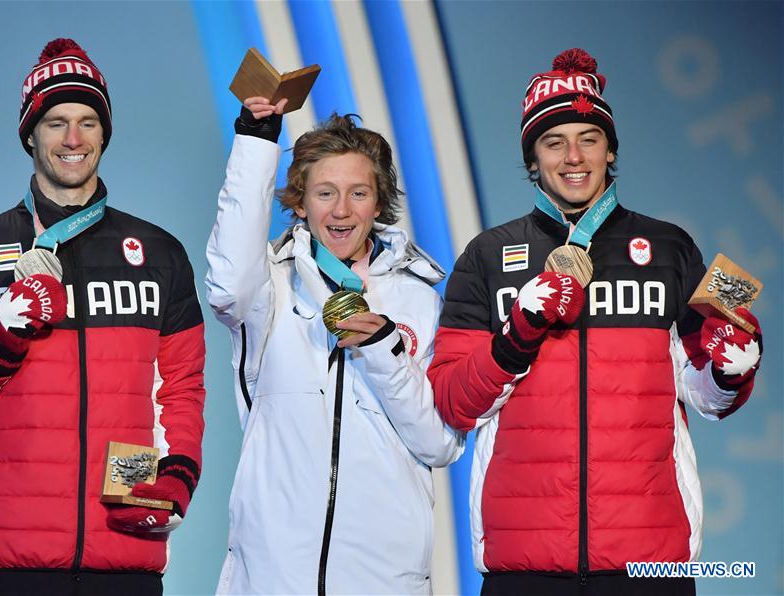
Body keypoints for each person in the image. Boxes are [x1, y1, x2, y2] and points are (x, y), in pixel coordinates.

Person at [428, 48, 763, 596]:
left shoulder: (672, 247)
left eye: (589, 138)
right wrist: (516, 338)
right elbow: (451, 401)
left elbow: (708, 394)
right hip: (524, 569)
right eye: (553, 142)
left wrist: (733, 372)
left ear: (611, 151)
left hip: (651, 569)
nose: (573, 157)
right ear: (532, 159)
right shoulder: (487, 255)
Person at [0, 38, 206, 596]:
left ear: (104, 134)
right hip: (4, 569)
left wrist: (177, 472)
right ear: (30, 135)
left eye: (88, 122)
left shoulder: (159, 254)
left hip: (123, 562)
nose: (73, 139)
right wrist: (1, 336)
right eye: (56, 122)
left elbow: (177, 390)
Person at [206, 98, 463, 594]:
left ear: (379, 202)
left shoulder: (418, 300)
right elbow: (226, 284)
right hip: (273, 576)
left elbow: (440, 444)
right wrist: (257, 144)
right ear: (300, 202)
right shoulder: (270, 286)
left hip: (384, 579)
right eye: (325, 192)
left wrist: (387, 351)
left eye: (358, 192)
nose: (341, 210)